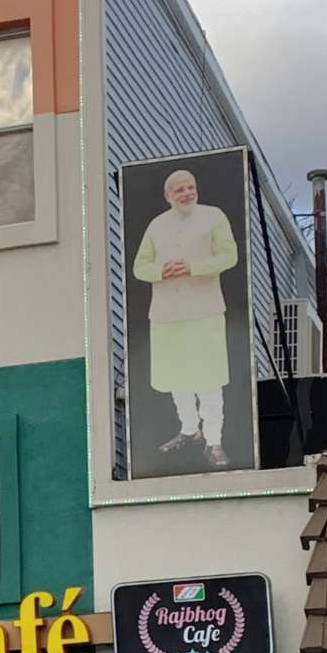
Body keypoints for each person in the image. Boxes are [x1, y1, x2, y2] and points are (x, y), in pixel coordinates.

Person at [132, 169, 239, 469]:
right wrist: (160, 271)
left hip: (204, 310)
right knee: (177, 377)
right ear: (168, 196)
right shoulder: (157, 225)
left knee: (209, 378)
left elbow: (229, 256)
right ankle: (190, 429)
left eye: (191, 187)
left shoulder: (214, 216)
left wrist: (193, 267)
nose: (187, 193)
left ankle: (214, 441)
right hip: (167, 313)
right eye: (180, 190)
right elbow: (140, 267)